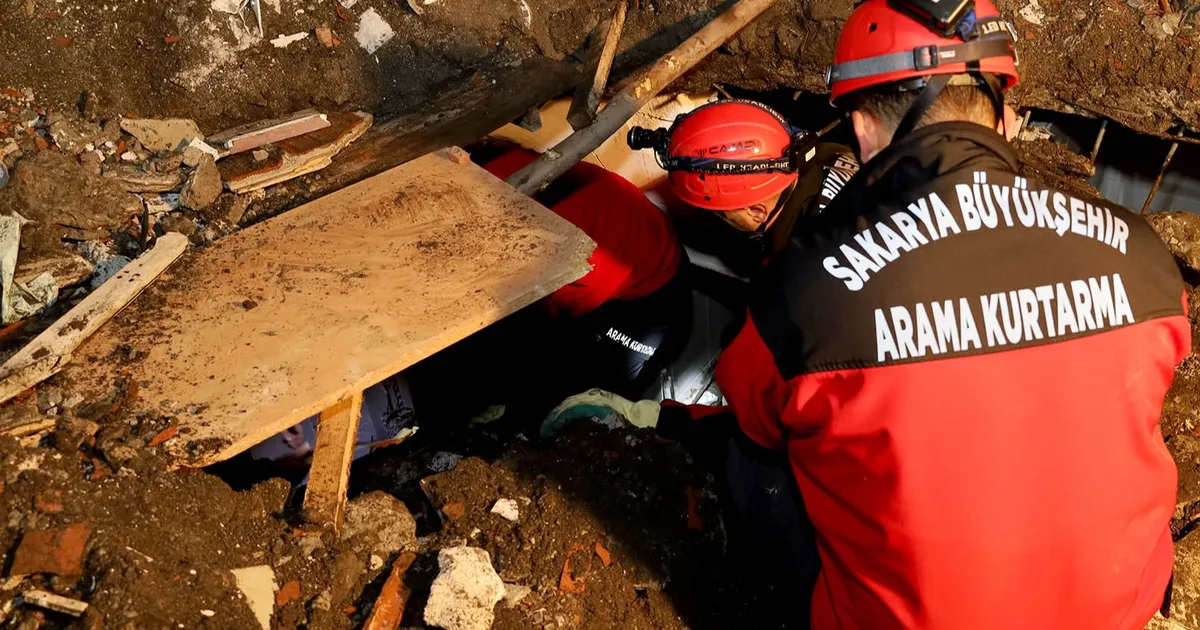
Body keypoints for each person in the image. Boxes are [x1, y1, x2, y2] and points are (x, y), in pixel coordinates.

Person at [712, 1, 1190, 628]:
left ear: (861, 131)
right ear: (1006, 117)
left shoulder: (804, 295)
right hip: (1117, 607)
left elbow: (749, 409)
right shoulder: (1141, 256)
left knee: (752, 462)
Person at [629, 99, 860, 282]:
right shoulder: (829, 152)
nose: (717, 217)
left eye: (721, 213)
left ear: (757, 212)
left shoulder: (795, 264)